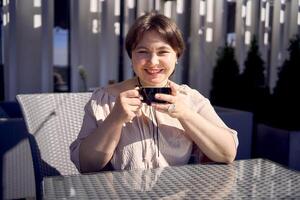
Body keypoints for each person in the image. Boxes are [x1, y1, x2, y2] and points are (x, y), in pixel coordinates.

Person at [70, 11, 238, 173]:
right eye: (142, 52)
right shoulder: (104, 99)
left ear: (176, 56)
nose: (153, 62)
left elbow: (227, 153)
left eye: (163, 51)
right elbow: (86, 165)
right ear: (131, 57)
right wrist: (115, 119)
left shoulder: (189, 99)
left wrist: (185, 114)